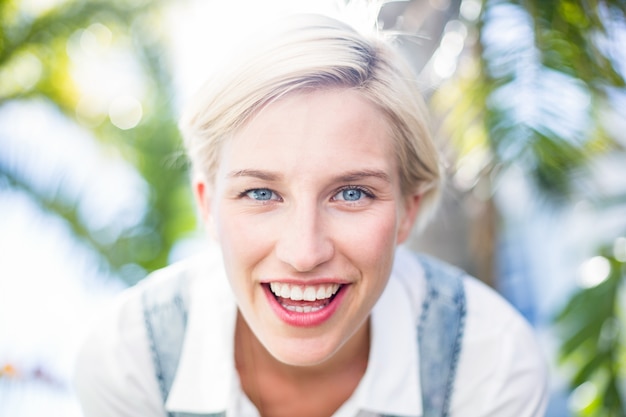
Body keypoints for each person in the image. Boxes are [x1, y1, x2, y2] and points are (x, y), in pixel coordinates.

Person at [73, 13, 548, 417]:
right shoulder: (130, 361)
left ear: (409, 210)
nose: (304, 253)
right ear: (207, 206)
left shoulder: (488, 364)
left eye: (352, 193)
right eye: (261, 193)